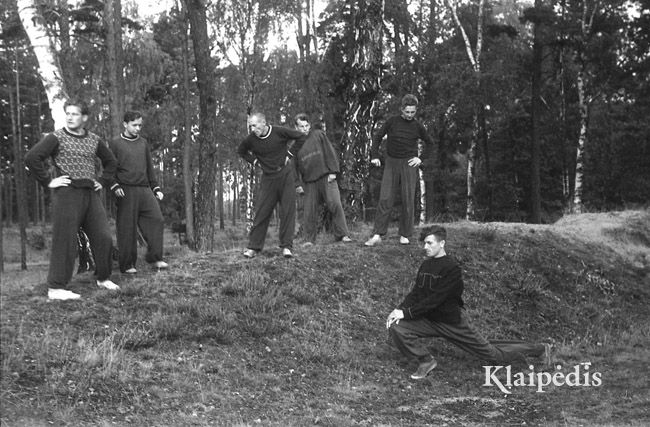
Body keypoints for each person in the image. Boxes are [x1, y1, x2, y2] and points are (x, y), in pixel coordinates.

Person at [386, 225, 548, 380]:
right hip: (429, 320)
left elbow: (436, 299)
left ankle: (539, 349)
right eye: (424, 243)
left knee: (494, 356)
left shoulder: (452, 268)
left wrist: (406, 313)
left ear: (442, 243)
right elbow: (416, 293)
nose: (425, 247)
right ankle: (426, 361)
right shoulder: (426, 265)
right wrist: (398, 310)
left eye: (430, 243)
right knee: (397, 326)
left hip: (452, 322)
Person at [24, 99, 120, 300]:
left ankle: (103, 277)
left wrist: (102, 180)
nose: (70, 117)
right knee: (65, 239)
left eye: (75, 114)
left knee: (103, 236)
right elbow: (32, 157)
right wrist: (48, 181)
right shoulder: (56, 137)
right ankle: (56, 287)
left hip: (90, 194)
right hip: (67, 193)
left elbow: (111, 162)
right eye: (67, 113)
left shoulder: (94, 139)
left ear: (84, 118)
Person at [365, 94, 434, 247]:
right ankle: (378, 234)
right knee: (386, 197)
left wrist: (420, 158)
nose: (410, 115)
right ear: (402, 109)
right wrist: (375, 155)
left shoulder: (417, 126)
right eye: (407, 112)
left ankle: (405, 234)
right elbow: (377, 137)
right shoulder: (392, 121)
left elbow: (430, 143)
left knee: (408, 199)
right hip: (391, 162)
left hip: (409, 164)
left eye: (412, 112)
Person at [237, 112, 308, 258]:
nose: (252, 129)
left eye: (255, 125)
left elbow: (300, 137)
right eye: (250, 126)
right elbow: (241, 151)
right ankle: (253, 247)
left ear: (263, 123)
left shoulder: (279, 131)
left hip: (285, 175)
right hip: (268, 179)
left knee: (288, 211)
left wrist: (289, 154)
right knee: (262, 212)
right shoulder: (250, 140)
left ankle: (286, 247)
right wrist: (255, 162)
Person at [108, 111, 168, 274]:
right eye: (134, 125)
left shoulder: (143, 143)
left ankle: (155, 258)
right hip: (125, 190)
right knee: (127, 228)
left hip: (144, 188)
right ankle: (127, 265)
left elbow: (149, 167)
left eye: (140, 125)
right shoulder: (115, 143)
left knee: (157, 219)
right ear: (125, 124)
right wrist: (114, 185)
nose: (137, 128)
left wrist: (155, 188)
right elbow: (108, 167)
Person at [293, 114, 352, 246]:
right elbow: (293, 167)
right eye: (301, 126)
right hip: (309, 183)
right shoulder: (294, 145)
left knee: (335, 203)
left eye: (306, 126)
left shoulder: (319, 135)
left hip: (326, 177)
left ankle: (343, 235)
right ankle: (309, 240)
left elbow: (329, 151)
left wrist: (333, 171)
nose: (304, 129)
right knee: (309, 212)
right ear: (296, 127)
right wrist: (297, 184)